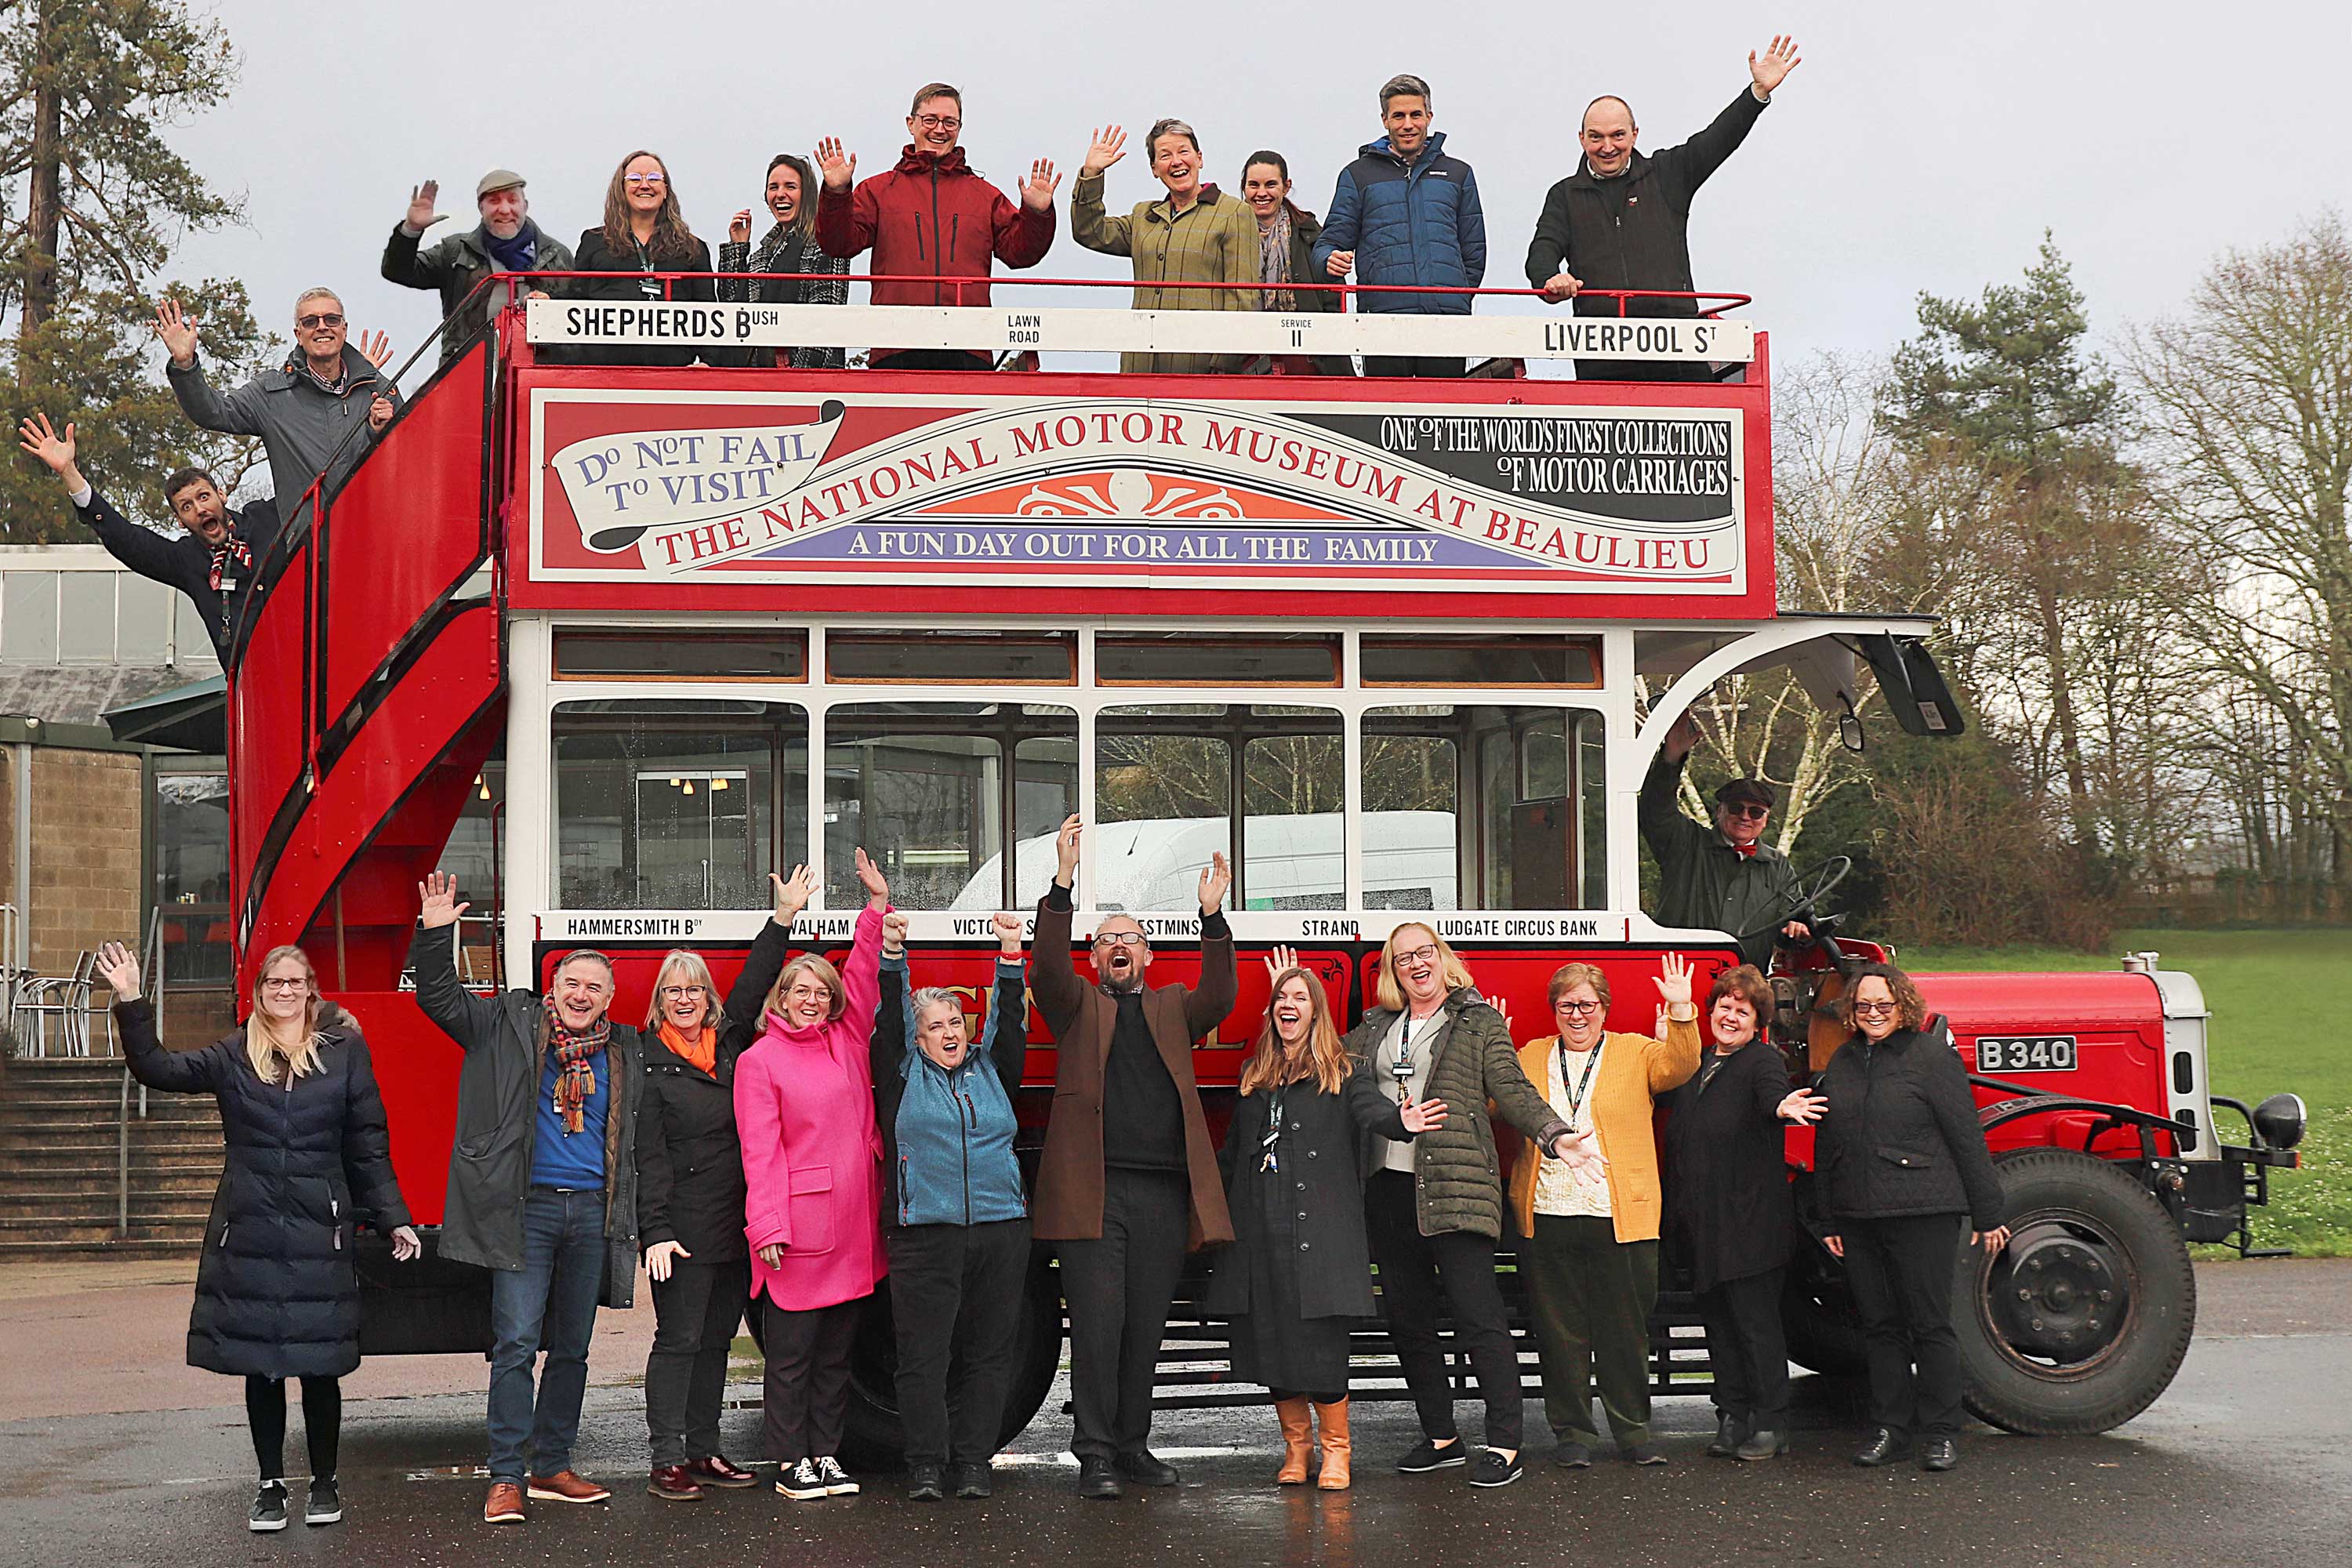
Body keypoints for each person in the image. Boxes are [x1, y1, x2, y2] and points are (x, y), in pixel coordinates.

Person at [96, 938, 419, 1534]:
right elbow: (158, 1068)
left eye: (295, 982)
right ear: (260, 993)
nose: (286, 992)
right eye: (275, 983)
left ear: (311, 990)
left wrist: (393, 1213)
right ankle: (271, 1485)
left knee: (320, 1366)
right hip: (250, 1229)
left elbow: (367, 1141)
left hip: (319, 1228)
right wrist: (131, 998)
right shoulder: (234, 1054)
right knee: (262, 1365)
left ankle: (325, 1483)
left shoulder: (343, 1051)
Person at [410, 871, 644, 1525]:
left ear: (609, 999)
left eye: (594, 987)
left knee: (573, 1346)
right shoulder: (504, 1024)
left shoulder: (623, 1050)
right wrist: (435, 933)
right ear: (553, 987)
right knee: (515, 1343)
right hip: (527, 1210)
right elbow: (438, 999)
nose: (581, 994)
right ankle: (506, 1475)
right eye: (572, 982)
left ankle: (552, 1464)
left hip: (593, 1214)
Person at [1345, 921, 1597, 1490]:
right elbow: (1335, 1075)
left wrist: (1555, 1136)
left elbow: (1512, 1090)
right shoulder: (1373, 1027)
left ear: (1442, 958)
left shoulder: (1477, 1020)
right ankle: (1441, 1437)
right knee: (1408, 1320)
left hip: (1456, 1186)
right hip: (1388, 1188)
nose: (1415, 963)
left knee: (1478, 1318)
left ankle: (1505, 1442)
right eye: (1402, 956)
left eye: (1424, 952)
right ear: (1391, 969)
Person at [1029, 814, 1236, 1499]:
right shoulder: (1076, 1005)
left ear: (1148, 956)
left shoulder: (1174, 1007)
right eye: (1108, 941)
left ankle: (1132, 1445)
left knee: (1145, 1328)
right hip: (1095, 1194)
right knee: (1097, 1327)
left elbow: (1222, 995)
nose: (1120, 947)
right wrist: (1063, 883)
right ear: (1096, 957)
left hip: (1163, 1195)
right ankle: (1094, 1454)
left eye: (1133, 939)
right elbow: (1049, 967)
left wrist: (1212, 918)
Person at [1206, 946, 1443, 1492]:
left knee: (1321, 1352)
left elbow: (1372, 1112)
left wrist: (1400, 1120)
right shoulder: (1254, 1075)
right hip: (1261, 1233)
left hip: (1320, 1235)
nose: (1289, 1004)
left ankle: (1337, 1451)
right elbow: (1234, 1154)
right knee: (1271, 1347)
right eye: (1281, 997)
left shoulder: (1346, 1070)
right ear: (1272, 1012)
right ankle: (1298, 1449)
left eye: (1300, 997)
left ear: (1316, 1011)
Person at [635, 866, 817, 1501]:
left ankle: (703, 1450)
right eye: (672, 991)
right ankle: (665, 1460)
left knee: (717, 1341)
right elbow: (646, 1157)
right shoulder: (648, 1064)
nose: (684, 999)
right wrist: (654, 1231)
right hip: (681, 1232)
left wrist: (785, 917)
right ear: (659, 1002)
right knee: (679, 1342)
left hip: (735, 1222)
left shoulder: (731, 1040)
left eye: (694, 989)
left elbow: (756, 980)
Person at [735, 848, 893, 1503]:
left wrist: (876, 909)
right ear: (782, 996)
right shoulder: (760, 1061)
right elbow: (760, 1151)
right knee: (792, 1358)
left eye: (819, 993)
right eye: (799, 990)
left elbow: (862, 978)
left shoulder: (847, 1039)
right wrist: (766, 1225)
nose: (811, 1000)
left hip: (853, 1230)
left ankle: (824, 1455)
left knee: (836, 1358)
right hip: (798, 1234)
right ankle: (789, 1460)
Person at [1815, 963, 2010, 1473]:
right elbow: (1828, 1145)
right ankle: (1891, 1430)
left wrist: (1989, 1214)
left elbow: (1966, 1135)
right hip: (1858, 1217)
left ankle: (1942, 1432)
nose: (1874, 1014)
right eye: (1864, 1006)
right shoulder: (1842, 1061)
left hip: (1924, 1211)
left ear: (1903, 1006)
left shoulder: (1930, 1058)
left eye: (1884, 1005)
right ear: (1851, 1012)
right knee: (1879, 1327)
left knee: (1930, 1326)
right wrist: (1830, 1219)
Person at [1510, 957, 1702, 1468]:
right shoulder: (1529, 1056)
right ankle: (1573, 1433)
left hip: (1622, 1216)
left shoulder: (1636, 1051)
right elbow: (1496, 1104)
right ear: (1554, 1010)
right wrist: (1490, 1052)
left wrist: (1682, 1008)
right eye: (1567, 1005)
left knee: (1625, 1329)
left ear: (1604, 1009)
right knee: (1559, 1332)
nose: (1578, 1015)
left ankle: (1634, 1430)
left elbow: (1682, 1065)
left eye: (1587, 1005)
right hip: (1547, 1212)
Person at [1526, 37, 1803, 382]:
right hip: (1602, 357)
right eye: (1596, 137)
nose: (1607, 147)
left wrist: (1756, 94)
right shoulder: (1564, 195)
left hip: (1678, 349)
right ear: (1581, 138)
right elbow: (1542, 250)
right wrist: (1550, 278)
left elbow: (1717, 139)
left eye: (1618, 135)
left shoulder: (1667, 174)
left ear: (1635, 134)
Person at [873, 909, 1032, 1501]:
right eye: (935, 1024)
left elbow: (1009, 1021)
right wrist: (894, 956)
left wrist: (1010, 955)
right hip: (924, 1234)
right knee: (923, 1358)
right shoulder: (901, 1074)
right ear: (918, 1038)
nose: (949, 1031)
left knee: (989, 1356)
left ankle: (972, 1463)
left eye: (956, 1021)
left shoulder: (993, 1072)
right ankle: (926, 1467)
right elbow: (889, 1014)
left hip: (1001, 1230)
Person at [1661, 964, 1825, 1463]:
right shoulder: (1699, 1061)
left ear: (1759, 1023)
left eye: (1743, 1011)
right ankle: (1730, 1416)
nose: (1730, 1016)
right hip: (1704, 1227)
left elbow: (1772, 1098)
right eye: (1725, 1006)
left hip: (1750, 1226)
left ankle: (1771, 1424)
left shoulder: (1763, 1062)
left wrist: (1781, 1108)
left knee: (1756, 1327)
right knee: (1718, 1328)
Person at [814, 82, 1060, 369]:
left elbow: (1021, 254)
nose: (939, 130)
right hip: (896, 346)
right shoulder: (878, 190)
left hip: (969, 348)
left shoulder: (984, 195)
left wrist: (1037, 212)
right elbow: (838, 244)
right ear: (911, 123)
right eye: (930, 120)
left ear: (960, 127)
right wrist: (836, 193)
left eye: (949, 122)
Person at [16, 412, 281, 659]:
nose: (200, 510)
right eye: (187, 507)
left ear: (220, 495)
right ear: (179, 521)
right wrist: (69, 473)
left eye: (204, 497)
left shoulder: (267, 518)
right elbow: (127, 539)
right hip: (255, 690)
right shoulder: (188, 561)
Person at [1312, 74, 1486, 378]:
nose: (1408, 124)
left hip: (1446, 323)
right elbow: (1328, 243)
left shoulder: (1459, 174)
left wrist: (1454, 298)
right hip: (1382, 323)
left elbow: (1474, 252)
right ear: (1384, 120)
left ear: (1429, 117)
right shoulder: (1357, 175)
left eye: (1415, 115)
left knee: (1444, 418)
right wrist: (1328, 259)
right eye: (1399, 116)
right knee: (1386, 417)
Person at [157, 291, 398, 506]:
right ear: (298, 334)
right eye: (311, 321)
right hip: (314, 546)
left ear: (344, 329)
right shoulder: (271, 393)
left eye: (331, 319)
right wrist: (185, 364)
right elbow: (213, 411)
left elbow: (414, 453)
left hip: (379, 531)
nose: (322, 327)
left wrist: (377, 431)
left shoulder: (377, 389)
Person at [1070, 121, 1258, 374]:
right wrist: (1091, 174)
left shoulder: (1234, 213)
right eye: (1165, 156)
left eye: (1183, 152)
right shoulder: (1143, 216)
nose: (1176, 161)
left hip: (1201, 372)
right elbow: (1089, 232)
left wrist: (1223, 365)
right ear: (1154, 169)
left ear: (1199, 159)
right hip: (1138, 368)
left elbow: (1242, 299)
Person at [1638, 710, 1810, 967]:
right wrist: (1671, 758)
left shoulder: (1778, 866)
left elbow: (1796, 917)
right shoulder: (1686, 843)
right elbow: (1655, 809)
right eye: (1736, 808)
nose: (1745, 817)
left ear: (1766, 819)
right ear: (1720, 811)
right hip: (1679, 978)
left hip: (1746, 988)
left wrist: (1799, 926)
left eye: (1755, 812)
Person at [381, 170, 573, 364]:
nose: (505, 210)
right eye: (495, 201)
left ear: (525, 206)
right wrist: (411, 229)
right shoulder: (456, 251)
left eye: (512, 200)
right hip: (467, 371)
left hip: (540, 372)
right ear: (481, 208)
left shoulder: (557, 256)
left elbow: (577, 311)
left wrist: (549, 303)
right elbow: (397, 271)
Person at [562, 151, 718, 368]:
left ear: (665, 191)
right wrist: (547, 299)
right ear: (621, 189)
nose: (645, 185)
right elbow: (573, 298)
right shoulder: (594, 242)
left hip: (674, 374)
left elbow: (708, 312)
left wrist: (707, 363)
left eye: (654, 178)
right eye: (635, 179)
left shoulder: (693, 248)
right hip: (604, 373)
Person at [718, 154, 849, 368]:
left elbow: (825, 320)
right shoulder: (764, 253)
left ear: (806, 194)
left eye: (790, 187)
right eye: (773, 187)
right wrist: (738, 250)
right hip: (757, 379)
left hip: (802, 383)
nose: (780, 194)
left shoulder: (824, 241)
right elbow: (733, 314)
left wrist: (799, 380)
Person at [1239, 151, 1352, 376]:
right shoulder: (1230, 232)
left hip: (1306, 357)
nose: (1262, 193)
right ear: (1244, 188)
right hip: (1246, 354)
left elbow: (1332, 300)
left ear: (1286, 186)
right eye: (1254, 185)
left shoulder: (1310, 233)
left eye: (1270, 184)